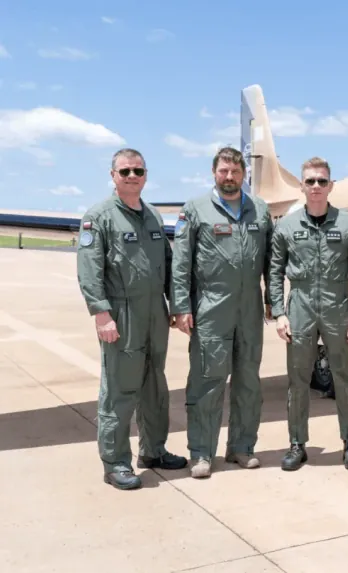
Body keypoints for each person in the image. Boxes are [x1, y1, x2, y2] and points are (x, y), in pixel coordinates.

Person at [76, 148, 188, 490]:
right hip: (121, 314)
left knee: (155, 384)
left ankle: (153, 451)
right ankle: (115, 462)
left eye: (138, 171)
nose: (132, 176)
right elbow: (89, 269)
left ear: (145, 175)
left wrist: (177, 304)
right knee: (120, 390)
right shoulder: (99, 217)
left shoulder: (152, 215)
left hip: (155, 312)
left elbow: (169, 264)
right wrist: (101, 313)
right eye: (124, 171)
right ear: (113, 176)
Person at [171, 146, 275, 479]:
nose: (229, 177)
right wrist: (181, 306)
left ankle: (242, 447)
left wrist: (274, 300)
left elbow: (272, 261)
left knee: (248, 382)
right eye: (223, 172)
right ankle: (201, 452)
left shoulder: (259, 210)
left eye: (234, 171)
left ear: (243, 174)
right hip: (211, 307)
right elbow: (181, 262)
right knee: (207, 382)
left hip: (249, 310)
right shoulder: (196, 210)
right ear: (214, 173)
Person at [268, 157, 348, 471]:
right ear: (302, 185)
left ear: (330, 186)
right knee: (298, 381)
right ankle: (297, 444)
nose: (315, 187)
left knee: (344, 378)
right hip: (299, 308)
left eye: (321, 181)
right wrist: (279, 313)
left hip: (338, 307)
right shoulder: (286, 226)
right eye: (310, 181)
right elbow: (274, 272)